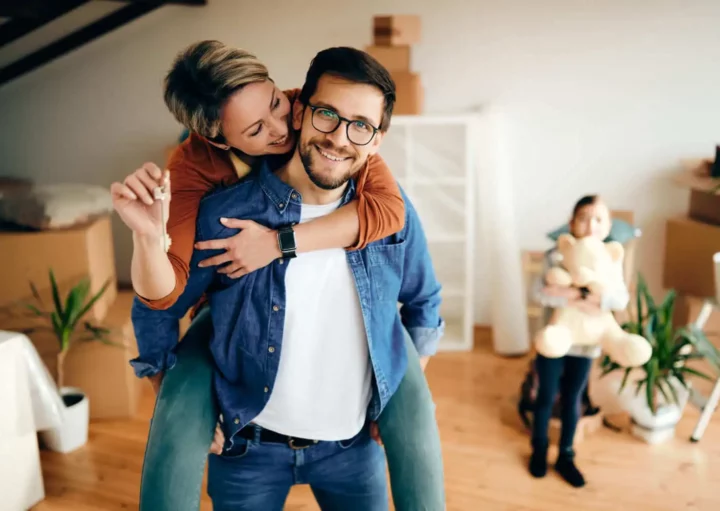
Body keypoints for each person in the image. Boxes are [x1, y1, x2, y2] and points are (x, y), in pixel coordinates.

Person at [115, 45, 445, 510]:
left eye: (362, 126)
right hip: (248, 450)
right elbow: (158, 305)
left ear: (377, 137)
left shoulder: (388, 210)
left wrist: (395, 395)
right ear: (305, 110)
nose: (339, 138)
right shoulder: (222, 214)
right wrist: (166, 392)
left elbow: (424, 301)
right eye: (327, 114)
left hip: (353, 448)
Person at [527, 195, 629, 488]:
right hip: (554, 339)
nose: (591, 224)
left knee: (574, 397)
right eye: (584, 217)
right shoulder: (555, 255)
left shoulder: (610, 259)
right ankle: (539, 447)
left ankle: (566, 455)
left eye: (599, 219)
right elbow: (541, 292)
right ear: (572, 223)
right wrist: (583, 295)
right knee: (546, 396)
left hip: (585, 344)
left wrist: (574, 292)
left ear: (607, 226)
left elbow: (618, 298)